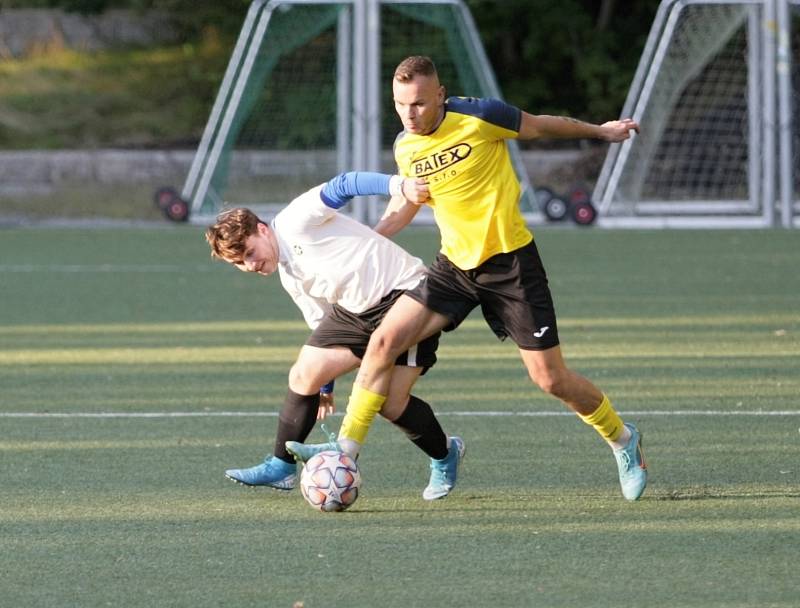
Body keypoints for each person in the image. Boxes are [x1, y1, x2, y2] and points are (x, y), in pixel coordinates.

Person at [287, 55, 647, 501]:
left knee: (550, 378)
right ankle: (345, 450)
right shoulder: (406, 147)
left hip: (511, 265)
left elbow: (540, 125)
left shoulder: (480, 116)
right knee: (382, 343)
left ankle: (622, 439)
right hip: (454, 270)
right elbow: (408, 204)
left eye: (418, 103)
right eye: (400, 105)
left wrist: (601, 131)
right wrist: (374, 237)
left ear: (439, 95)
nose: (410, 114)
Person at [205, 171, 464, 501]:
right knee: (303, 373)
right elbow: (323, 325)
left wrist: (398, 186)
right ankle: (281, 466)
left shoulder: (294, 220)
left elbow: (344, 184)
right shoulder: (291, 275)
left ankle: (445, 456)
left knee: (391, 404)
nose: (250, 265)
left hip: (405, 294)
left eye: (250, 253)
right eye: (240, 263)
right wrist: (325, 387)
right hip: (356, 312)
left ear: (262, 229)